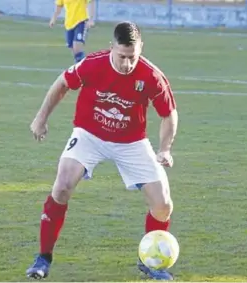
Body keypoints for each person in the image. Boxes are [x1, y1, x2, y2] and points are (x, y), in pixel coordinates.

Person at [26, 21, 178, 281]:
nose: (127, 64)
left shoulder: (151, 75)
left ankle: (150, 262)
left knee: (163, 204)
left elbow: (169, 115)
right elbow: (62, 83)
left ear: (141, 48)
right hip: (89, 135)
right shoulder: (92, 64)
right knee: (62, 185)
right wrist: (41, 118)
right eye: (122, 57)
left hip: (131, 141)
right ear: (111, 48)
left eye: (133, 57)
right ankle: (43, 258)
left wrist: (164, 149)